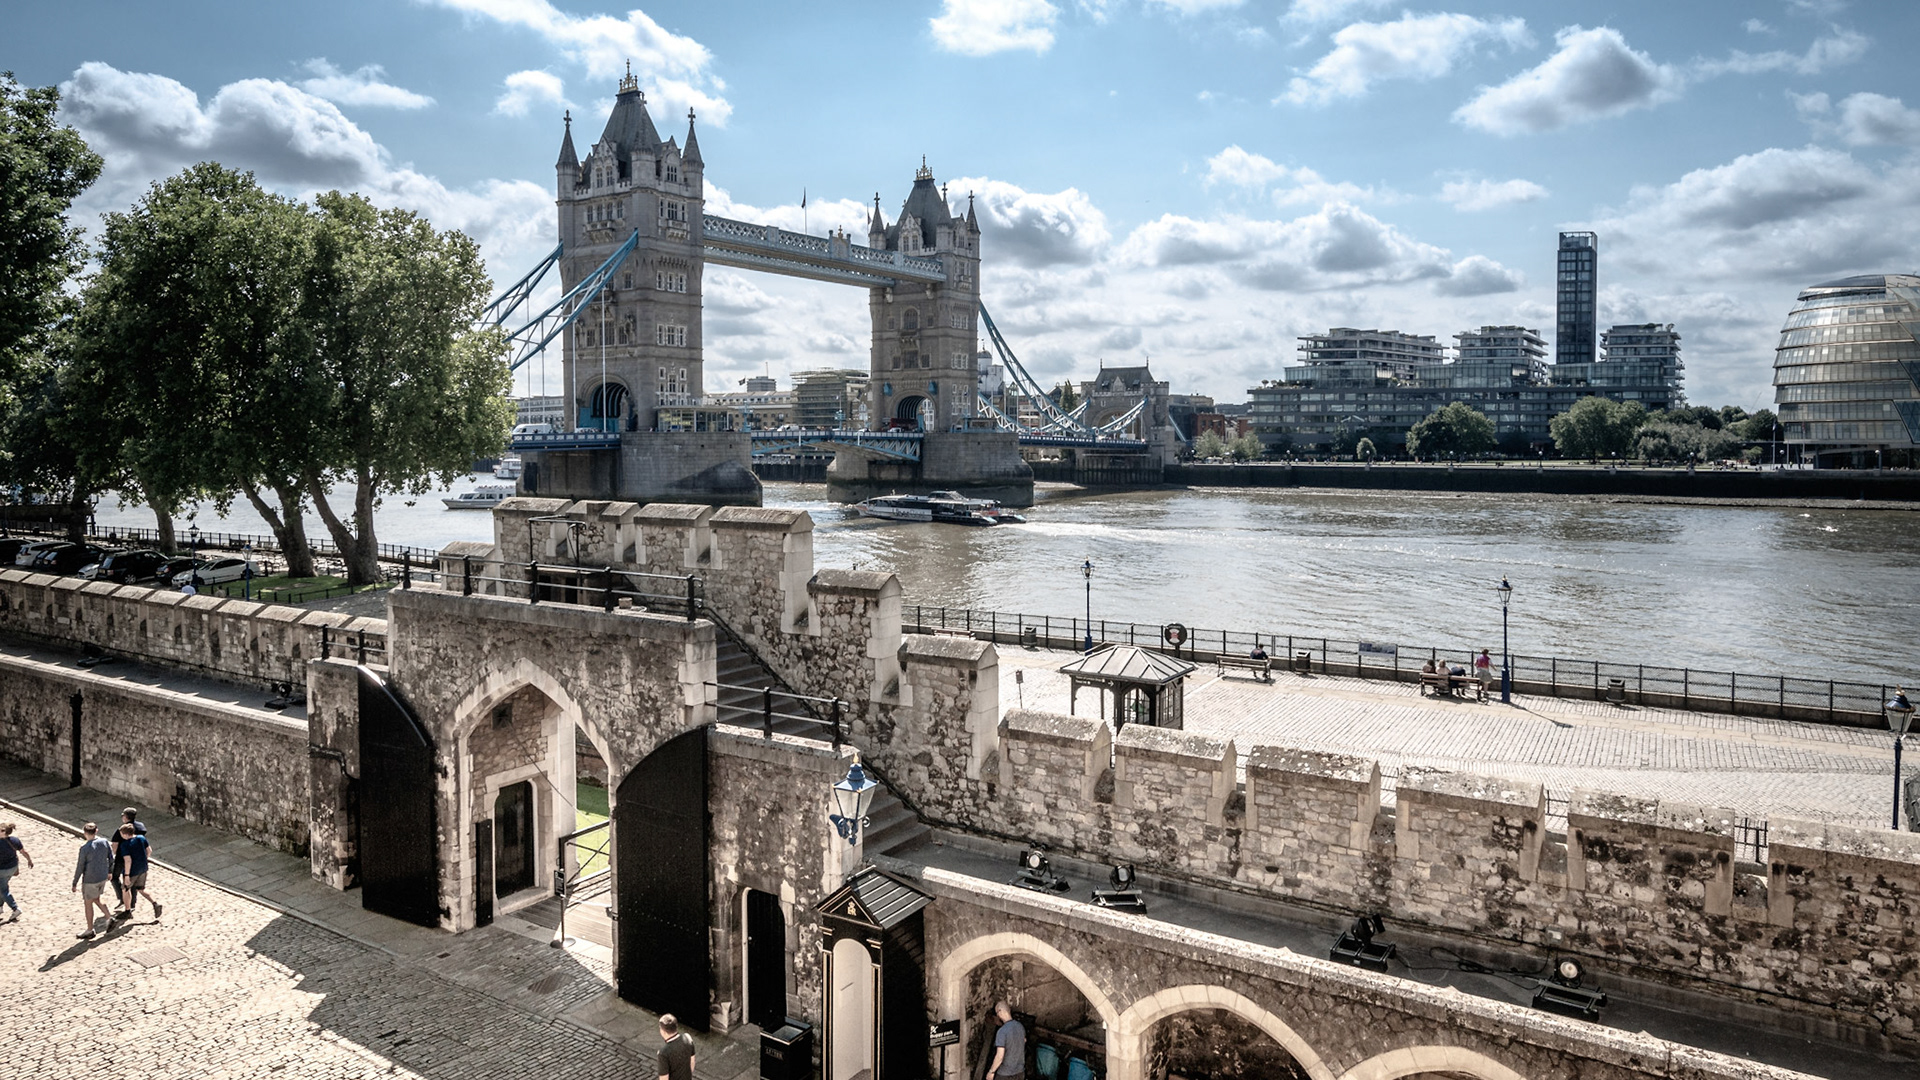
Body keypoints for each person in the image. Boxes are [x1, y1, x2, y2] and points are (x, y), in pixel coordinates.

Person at [72, 822, 114, 939]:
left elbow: (80, 866)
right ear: (96, 831)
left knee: (88, 903)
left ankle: (90, 929)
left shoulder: (85, 849)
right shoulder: (104, 842)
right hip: (102, 877)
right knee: (97, 898)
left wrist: (75, 882)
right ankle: (109, 917)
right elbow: (111, 858)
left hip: (90, 879)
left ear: (85, 833)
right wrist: (110, 871)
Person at [116, 822, 162, 921]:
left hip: (132, 871)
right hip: (143, 868)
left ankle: (127, 911)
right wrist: (143, 860)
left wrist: (127, 875)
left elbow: (128, 860)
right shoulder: (141, 838)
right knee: (141, 889)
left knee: (125, 889)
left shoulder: (125, 844)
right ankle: (155, 903)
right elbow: (149, 851)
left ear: (125, 834)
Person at [108, 806, 145, 918]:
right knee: (133, 883)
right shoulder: (141, 827)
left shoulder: (121, 830)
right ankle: (132, 902)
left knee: (115, 877)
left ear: (126, 817)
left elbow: (114, 845)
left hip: (122, 858)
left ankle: (123, 899)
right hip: (137, 859)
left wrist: (116, 855)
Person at [0, 821, 31, 921]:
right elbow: (23, 852)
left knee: (3, 890)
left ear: (3, 832)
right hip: (12, 868)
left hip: (2, 870)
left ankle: (15, 908)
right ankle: (0, 907)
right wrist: (29, 860)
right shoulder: (15, 840)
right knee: (2, 886)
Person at [989, 1000, 1026, 1080]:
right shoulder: (1020, 1027)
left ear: (1000, 1011)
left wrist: (991, 1071)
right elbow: (1023, 1042)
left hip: (1005, 1074)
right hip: (1020, 1072)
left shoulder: (1002, 1031)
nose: (998, 1016)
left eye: (997, 1013)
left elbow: (1000, 1056)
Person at [656, 1013, 695, 1080]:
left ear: (663, 1031)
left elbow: (664, 1078)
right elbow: (692, 1062)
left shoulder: (663, 1053)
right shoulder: (687, 1038)